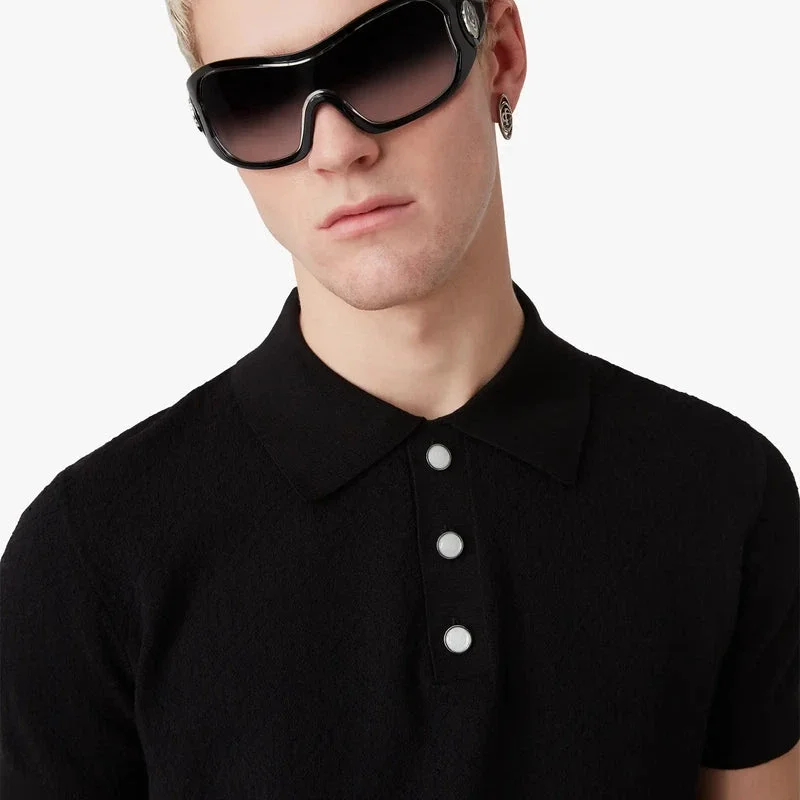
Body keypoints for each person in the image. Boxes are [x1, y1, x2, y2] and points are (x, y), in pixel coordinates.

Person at [1, 0, 797, 797]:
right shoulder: (87, 557)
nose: (337, 149)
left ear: (500, 55)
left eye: (388, 57)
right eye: (257, 97)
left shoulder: (725, 490)